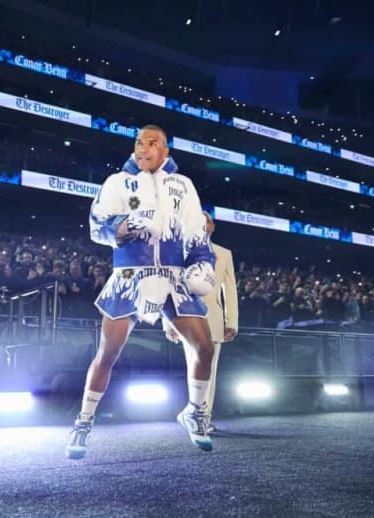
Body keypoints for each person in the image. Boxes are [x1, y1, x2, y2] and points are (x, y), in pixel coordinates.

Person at [66, 125, 216, 459]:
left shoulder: (183, 185)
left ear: (166, 150)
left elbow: (197, 233)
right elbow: (97, 225)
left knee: (205, 347)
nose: (143, 148)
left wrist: (203, 263)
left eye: (152, 143)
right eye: (139, 142)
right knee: (108, 353)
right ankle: (83, 422)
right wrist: (128, 224)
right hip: (130, 276)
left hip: (174, 276)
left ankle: (194, 412)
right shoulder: (117, 182)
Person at [166, 211, 237, 433]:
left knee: (211, 369)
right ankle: (194, 414)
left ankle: (204, 417)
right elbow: (169, 286)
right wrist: (168, 323)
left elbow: (230, 290)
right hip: (187, 316)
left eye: (205, 222)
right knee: (194, 366)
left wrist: (231, 322)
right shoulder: (179, 251)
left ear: (212, 227)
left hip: (214, 318)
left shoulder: (224, 253)